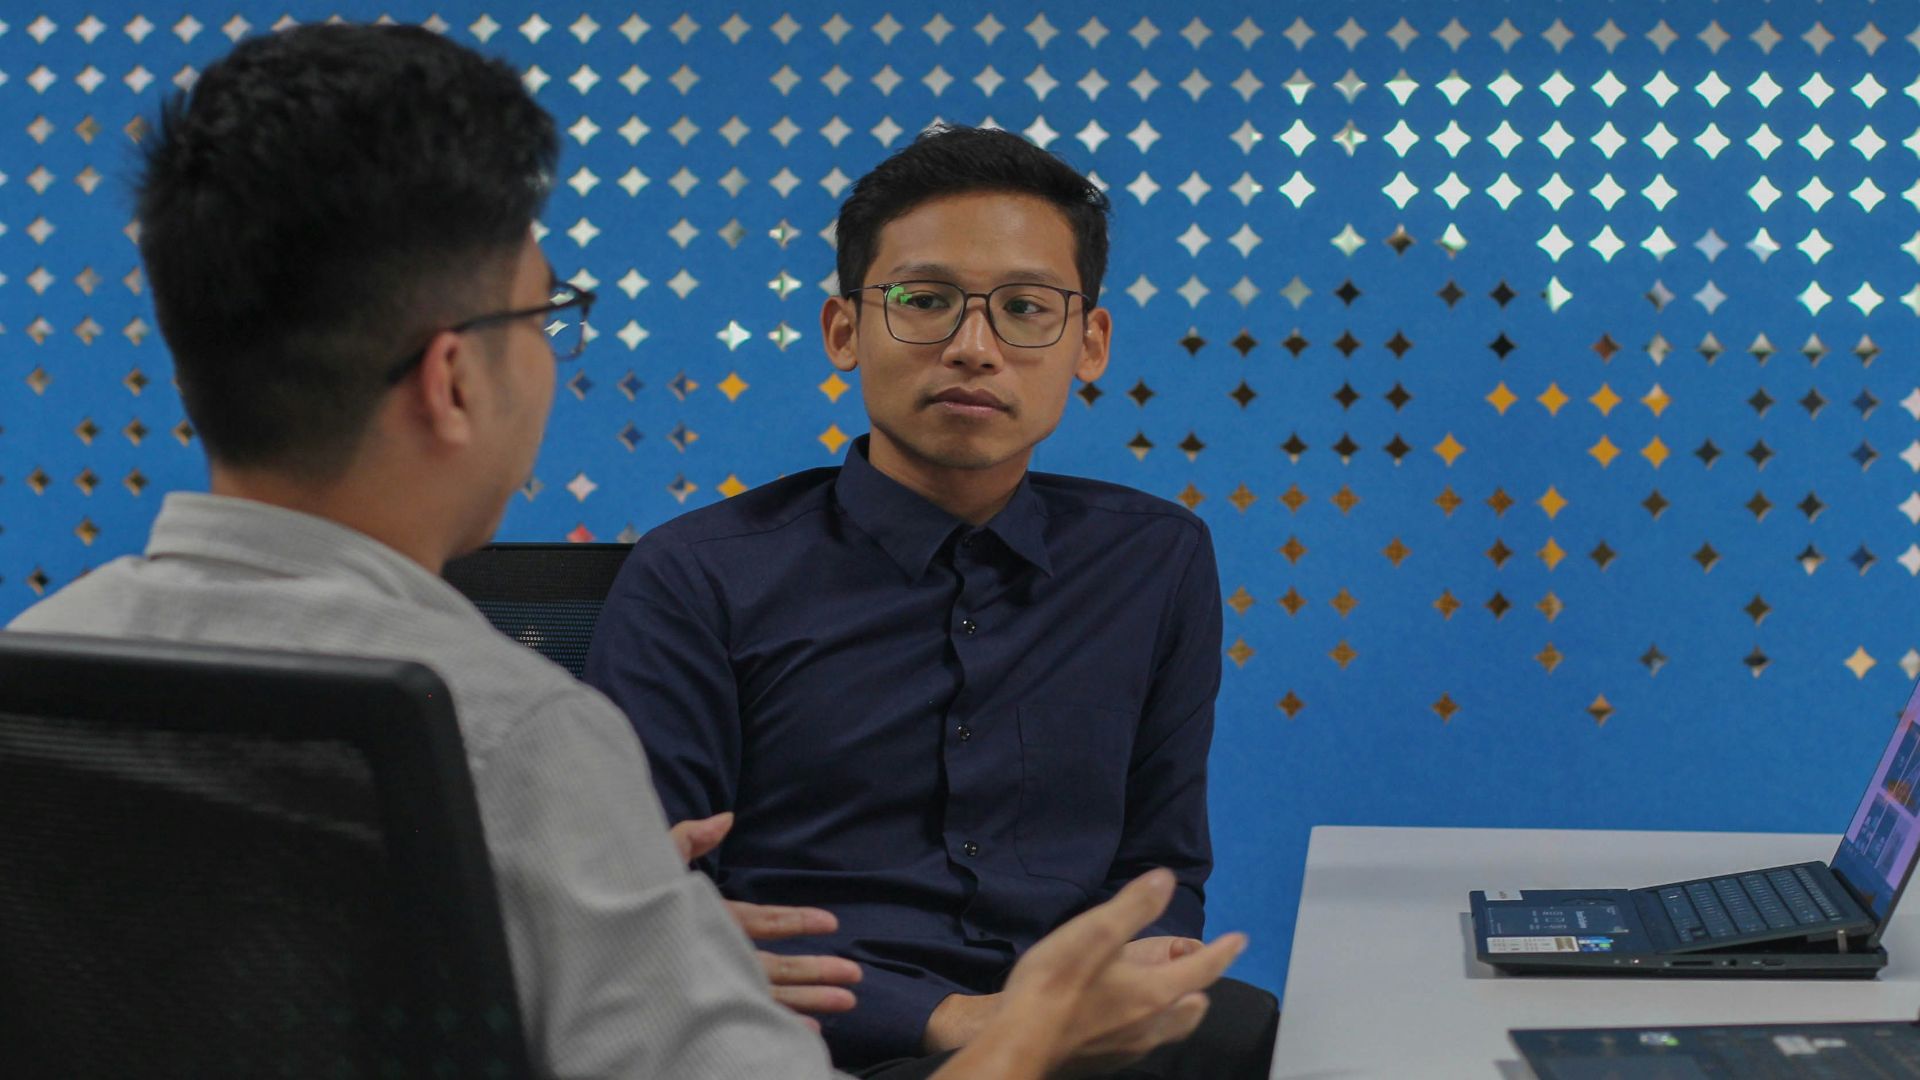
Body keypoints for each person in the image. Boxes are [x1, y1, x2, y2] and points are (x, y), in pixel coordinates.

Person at [5, 26, 1245, 1080]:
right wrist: (1017, 1043)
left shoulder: (33, 672)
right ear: (455, 380)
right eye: (547, 316)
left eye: (1023, 309)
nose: (975, 345)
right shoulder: (516, 740)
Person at [586, 126, 1277, 1078]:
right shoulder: (697, 575)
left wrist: (1113, 991)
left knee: (1256, 1029)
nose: (973, 348)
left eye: (1025, 308)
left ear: (1090, 344)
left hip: (1079, 1042)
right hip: (816, 1049)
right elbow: (652, 911)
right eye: (924, 301)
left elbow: (1159, 868)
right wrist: (953, 1021)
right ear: (844, 331)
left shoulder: (1154, 559)